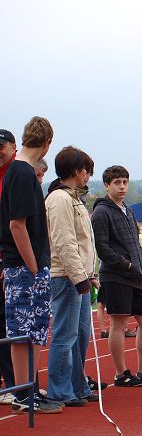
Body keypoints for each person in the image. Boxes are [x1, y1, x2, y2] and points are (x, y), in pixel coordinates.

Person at [0, 117, 63, 413]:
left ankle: (27, 392)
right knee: (26, 331)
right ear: (47, 143)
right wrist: (34, 268)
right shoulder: (23, 172)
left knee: (31, 332)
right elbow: (17, 225)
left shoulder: (18, 170)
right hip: (26, 266)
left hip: (24, 265)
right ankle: (25, 395)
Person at [91, 165, 142, 387]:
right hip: (116, 276)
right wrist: (126, 264)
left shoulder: (128, 209)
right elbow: (102, 248)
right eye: (117, 182)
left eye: (125, 182)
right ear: (107, 185)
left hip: (135, 276)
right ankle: (121, 374)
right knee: (119, 324)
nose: (122, 186)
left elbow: (135, 243)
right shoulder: (101, 212)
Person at [45, 146, 97, 407]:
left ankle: (77, 384)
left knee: (81, 334)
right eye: (86, 170)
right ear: (76, 171)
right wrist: (78, 277)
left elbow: (85, 242)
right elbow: (64, 241)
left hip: (79, 277)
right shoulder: (59, 199)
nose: (88, 175)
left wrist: (90, 273)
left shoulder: (75, 198)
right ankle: (60, 390)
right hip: (66, 277)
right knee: (65, 336)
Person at [0, 129, 17, 403]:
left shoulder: (16, 173)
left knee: (10, 325)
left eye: (1, 146)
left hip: (10, 259)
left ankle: (17, 385)